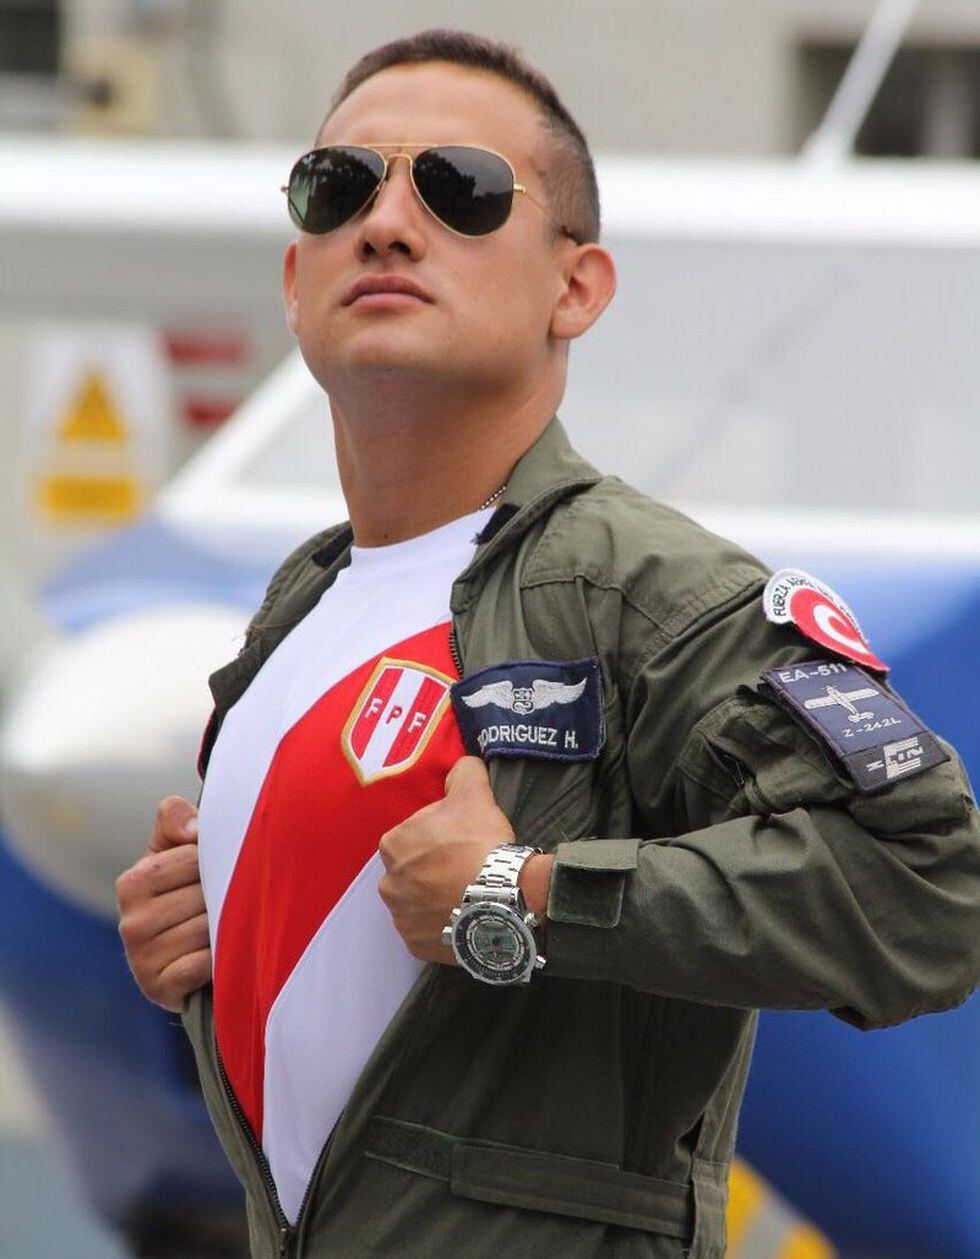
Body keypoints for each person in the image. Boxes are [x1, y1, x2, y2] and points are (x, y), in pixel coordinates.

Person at [116, 29, 980, 1259]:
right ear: (295, 278)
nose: (386, 224)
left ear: (575, 287)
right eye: (338, 187)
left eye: (459, 189)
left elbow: (928, 888)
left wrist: (519, 896)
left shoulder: (651, 592)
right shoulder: (296, 610)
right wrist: (208, 937)